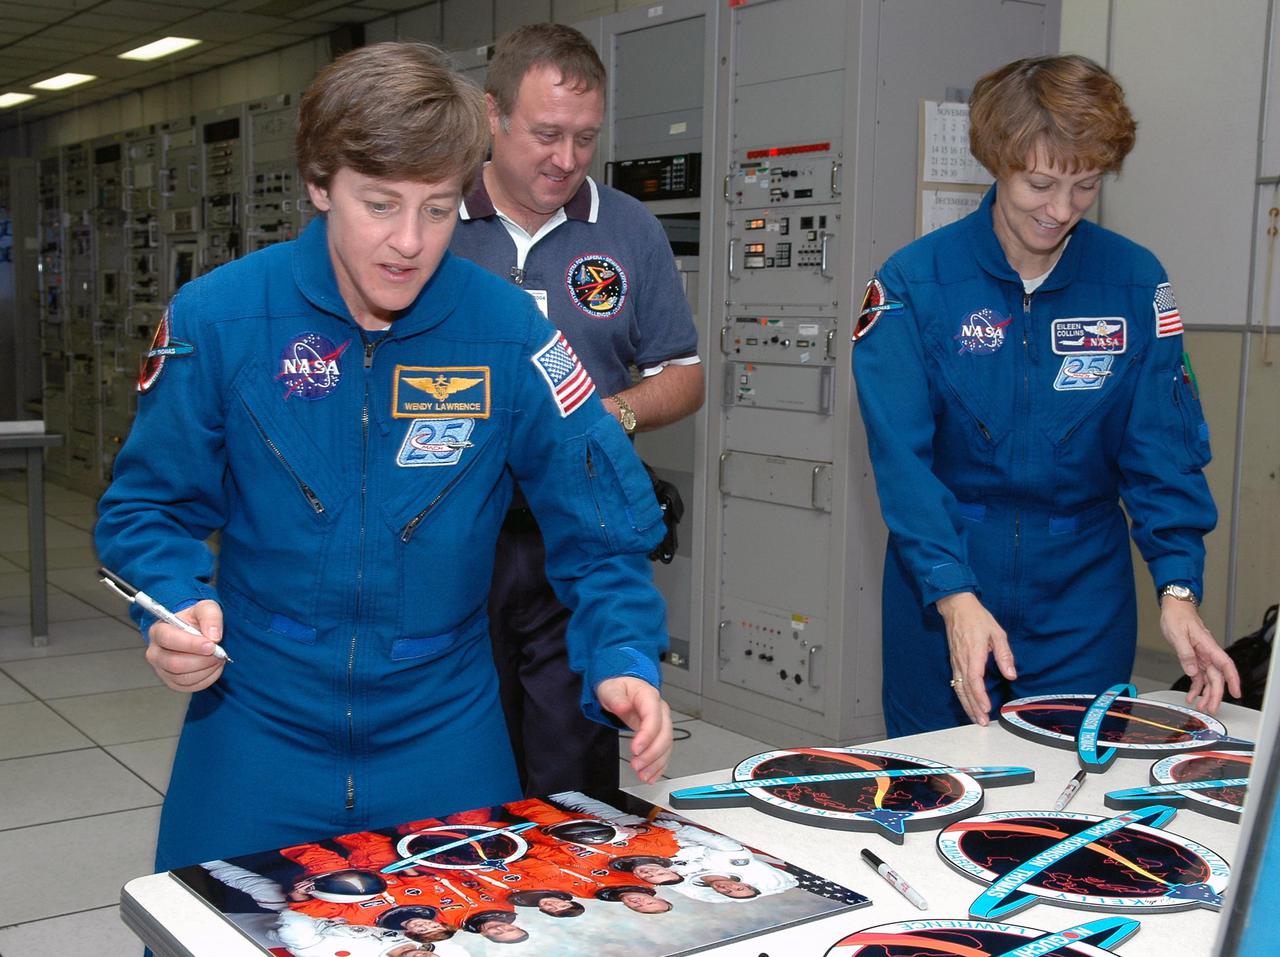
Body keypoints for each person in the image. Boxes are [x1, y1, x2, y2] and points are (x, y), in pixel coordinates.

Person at [93, 40, 674, 876]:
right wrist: (172, 601)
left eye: (437, 209)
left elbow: (602, 525)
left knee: (478, 925)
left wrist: (622, 653)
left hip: (444, 729)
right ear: (318, 183)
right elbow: (149, 506)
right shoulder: (218, 319)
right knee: (208, 924)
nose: (409, 242)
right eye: (379, 204)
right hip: (256, 722)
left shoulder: (509, 333)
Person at [850, 54, 1242, 736]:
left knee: (1073, 780)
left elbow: (1162, 451)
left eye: (1085, 186)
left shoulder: (1134, 283)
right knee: (933, 779)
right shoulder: (915, 283)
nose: (1061, 210)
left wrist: (1178, 588)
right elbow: (903, 463)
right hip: (943, 583)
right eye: (1040, 184)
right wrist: (952, 592)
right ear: (997, 162)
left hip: (1082, 596)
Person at [449, 22, 703, 797]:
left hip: (580, 537)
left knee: (573, 775)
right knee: (466, 762)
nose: (566, 158)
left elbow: (684, 375)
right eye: (547, 134)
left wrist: (603, 418)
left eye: (585, 138)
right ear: (494, 115)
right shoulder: (435, 221)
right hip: (458, 537)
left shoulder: (628, 229)